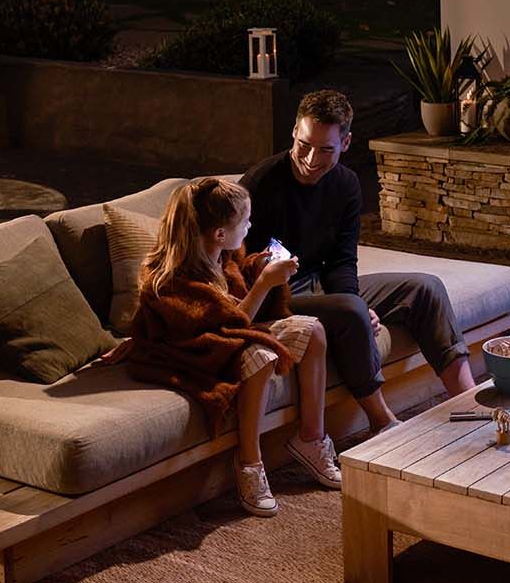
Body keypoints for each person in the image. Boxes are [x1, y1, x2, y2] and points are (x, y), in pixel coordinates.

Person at [240, 90, 475, 437]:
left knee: (426, 288)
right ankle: (383, 423)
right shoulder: (260, 185)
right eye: (304, 144)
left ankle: (469, 404)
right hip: (273, 297)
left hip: (320, 284)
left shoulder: (346, 185)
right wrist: (354, 307)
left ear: (346, 142)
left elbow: (342, 260)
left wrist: (358, 301)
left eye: (325, 149)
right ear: (294, 131)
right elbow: (240, 268)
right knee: (350, 309)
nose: (309, 158)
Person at [124, 178, 341, 517]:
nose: (251, 226)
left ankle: (311, 439)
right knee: (261, 356)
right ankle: (249, 464)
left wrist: (259, 267)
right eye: (245, 222)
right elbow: (224, 327)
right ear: (219, 234)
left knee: (313, 330)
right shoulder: (169, 280)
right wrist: (267, 283)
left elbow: (236, 298)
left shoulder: (223, 256)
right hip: (195, 352)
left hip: (230, 337)